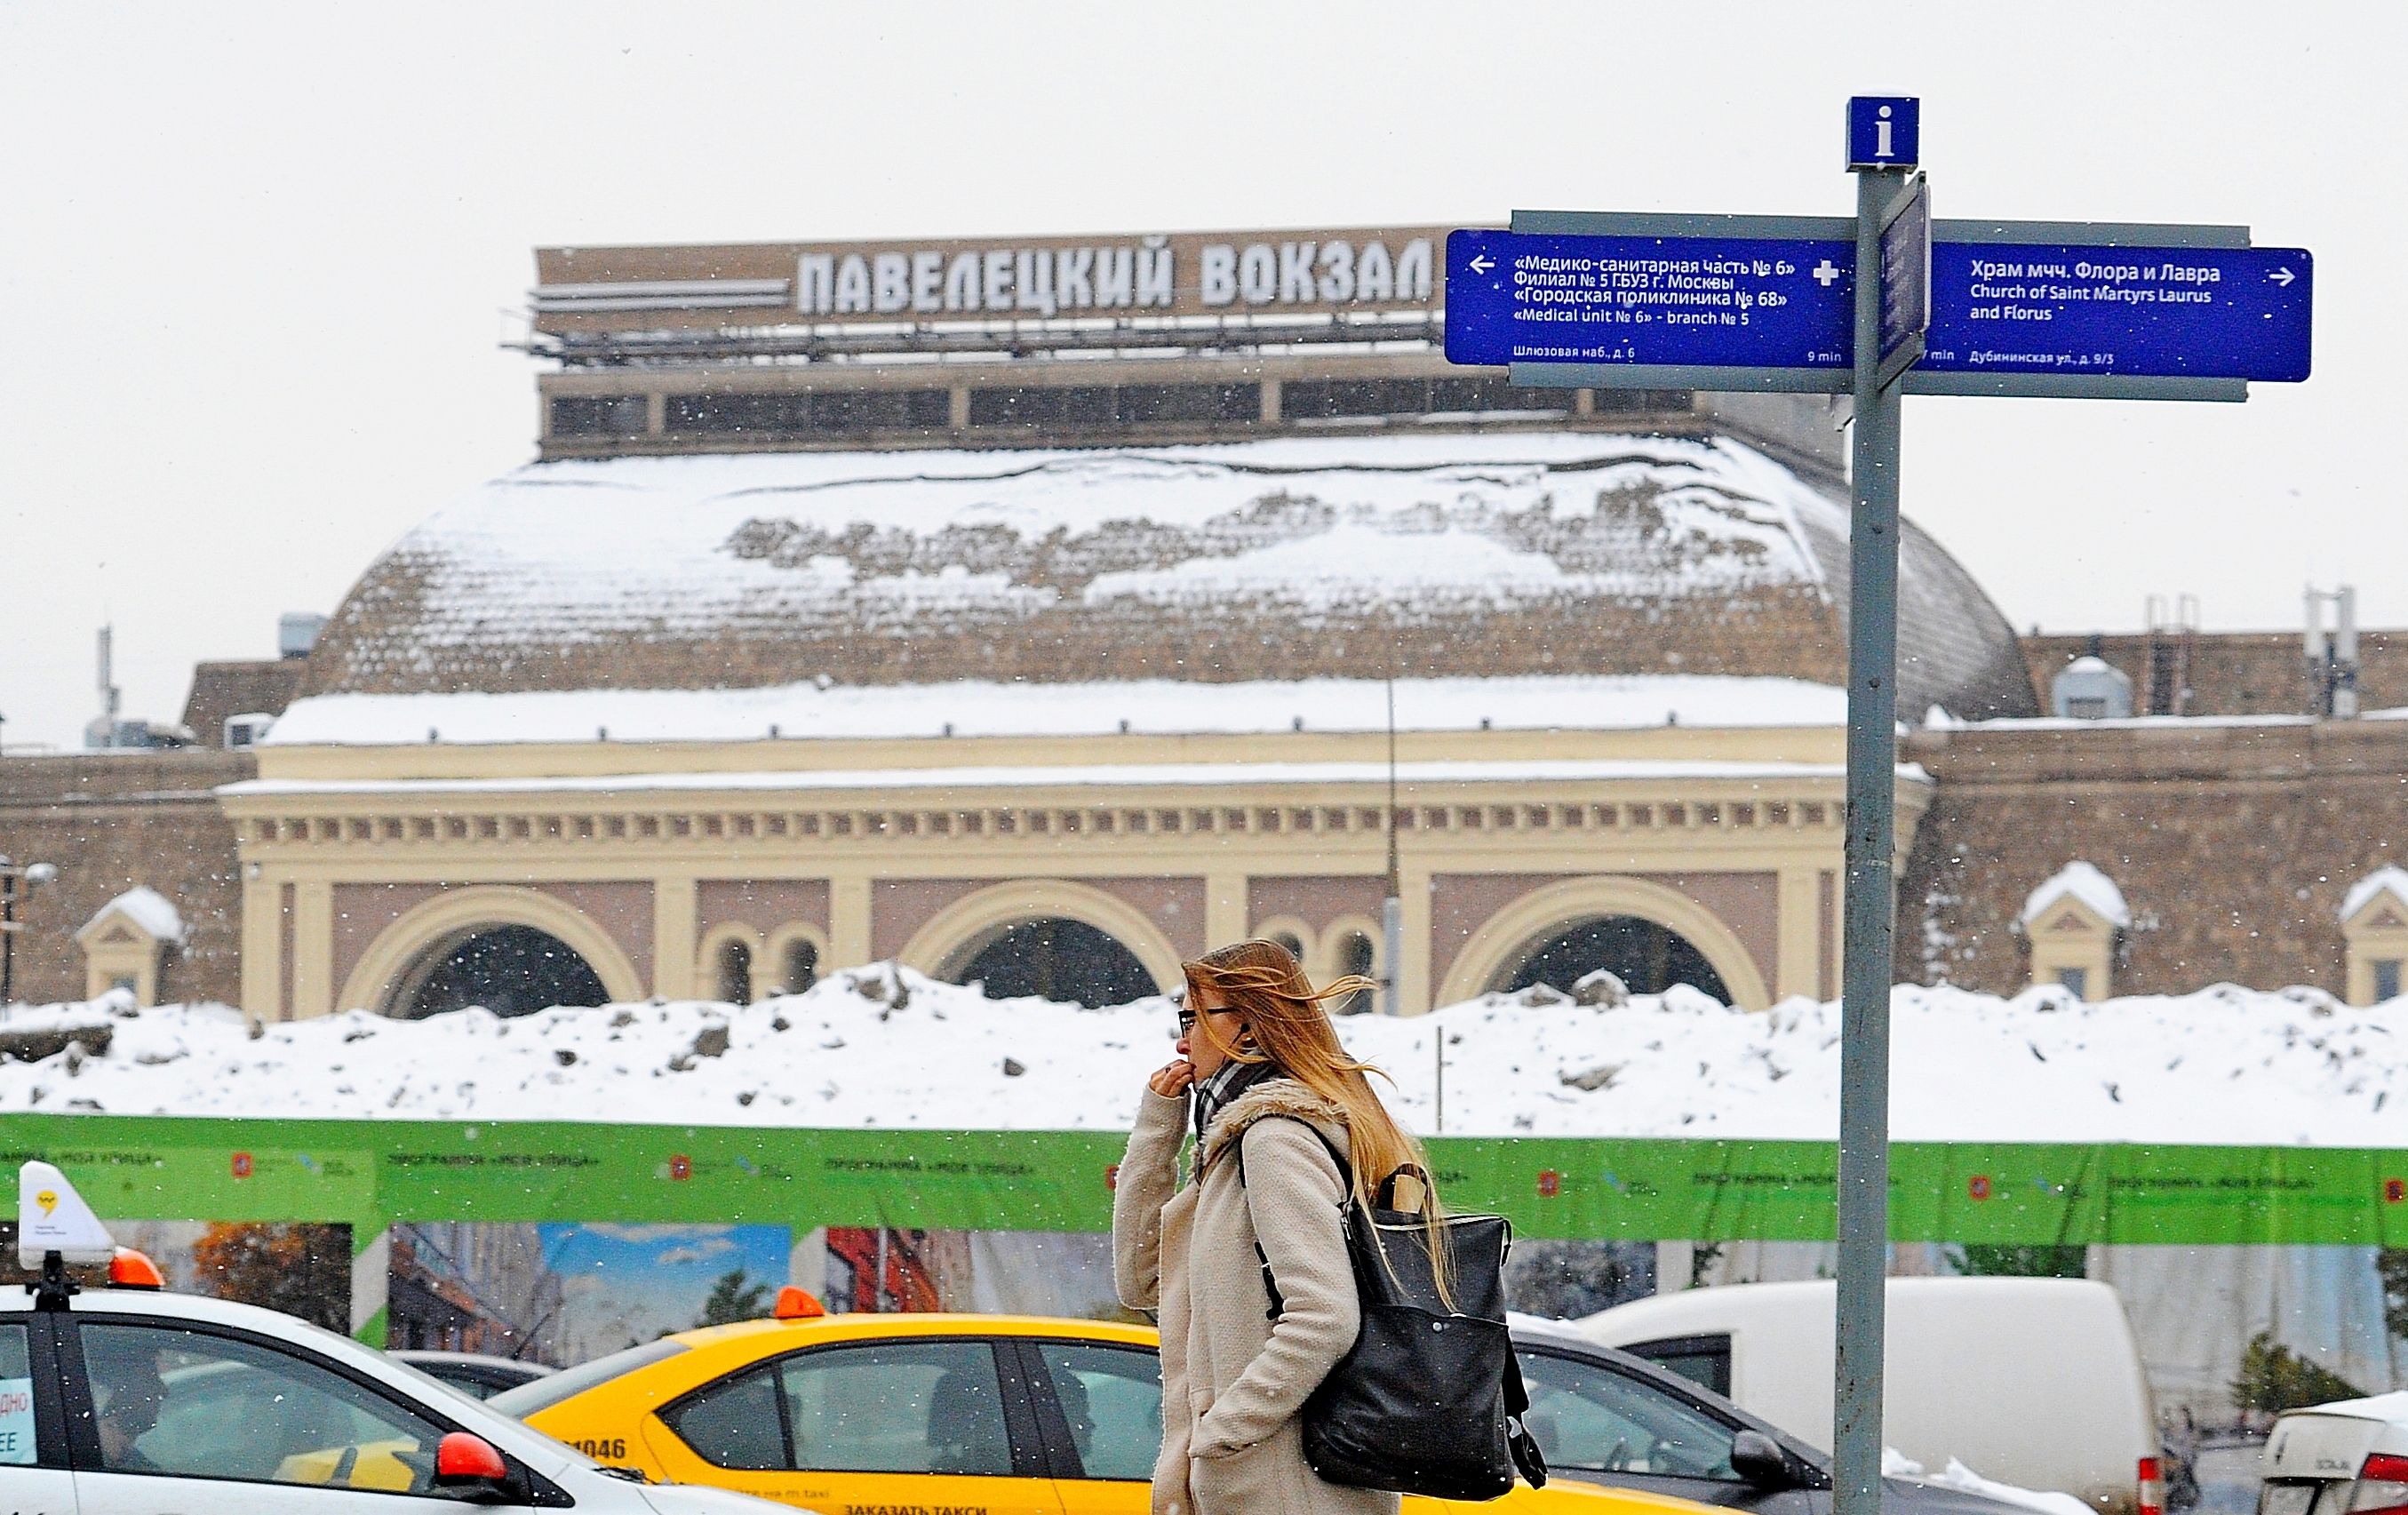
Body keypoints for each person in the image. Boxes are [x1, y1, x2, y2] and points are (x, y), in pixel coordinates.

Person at [1112, 938, 1446, 1515]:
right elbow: (1142, 1282)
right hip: (1268, 1485)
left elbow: (1324, 1316)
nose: (1180, 1036)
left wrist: (1224, 1432)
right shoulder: (1237, 1145)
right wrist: (1156, 1132)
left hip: (1285, 1489)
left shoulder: (1275, 1138)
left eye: (1194, 1016)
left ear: (1248, 1027)